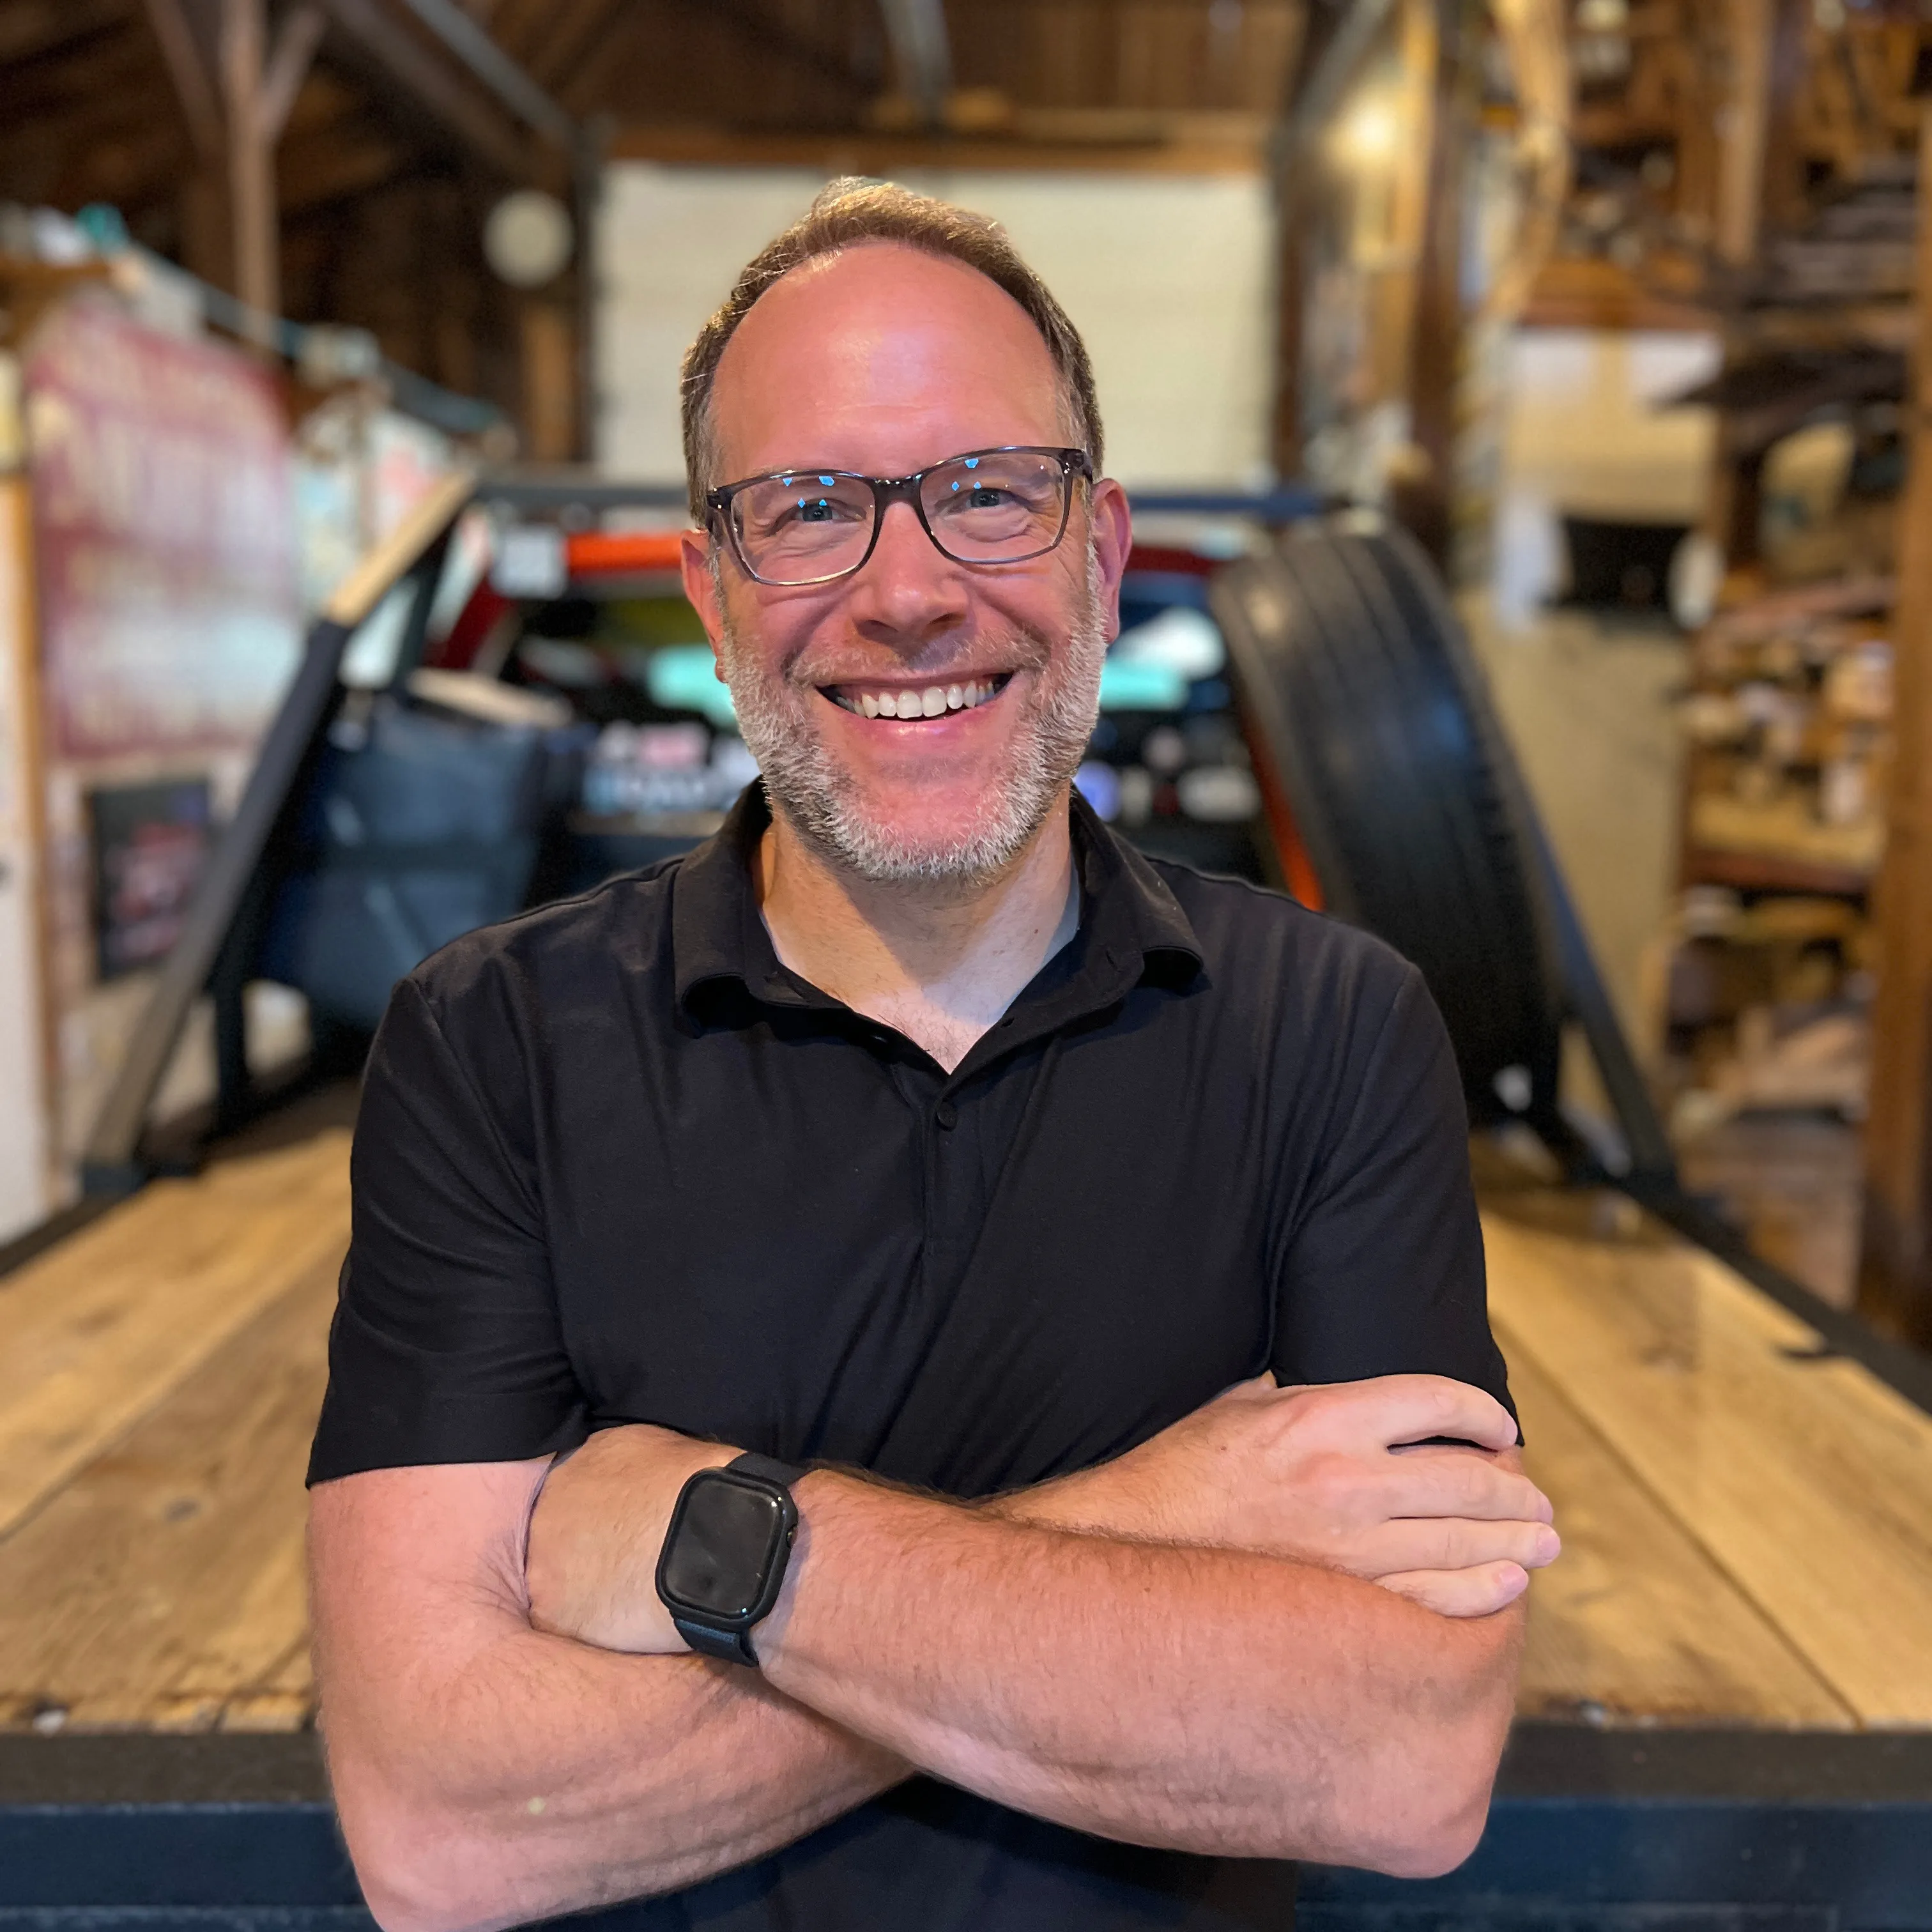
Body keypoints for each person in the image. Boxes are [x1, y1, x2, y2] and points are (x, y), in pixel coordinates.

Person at [306, 180, 1560, 1932]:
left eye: (986, 492)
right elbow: (447, 1826)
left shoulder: (1335, 1029)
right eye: (809, 508)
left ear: (1102, 556)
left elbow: (1403, 1760)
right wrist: (1165, 1518)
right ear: (714, 594)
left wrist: (721, 1547)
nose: (906, 594)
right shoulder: (490, 1047)